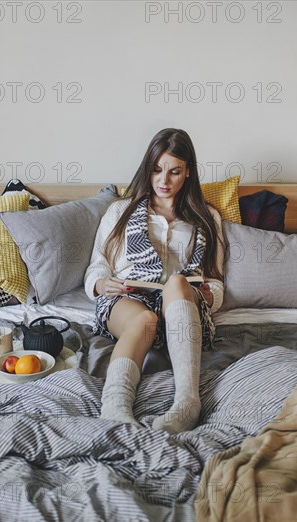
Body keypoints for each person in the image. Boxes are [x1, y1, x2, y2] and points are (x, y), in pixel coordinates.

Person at [84, 128, 225, 434]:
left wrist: (209, 294)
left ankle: (188, 402)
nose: (164, 181)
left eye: (174, 172)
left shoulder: (206, 217)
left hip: (182, 304)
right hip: (130, 299)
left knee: (177, 283)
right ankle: (115, 408)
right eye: (157, 170)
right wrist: (102, 284)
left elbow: (215, 281)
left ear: (187, 172)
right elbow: (97, 267)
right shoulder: (120, 211)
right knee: (145, 319)